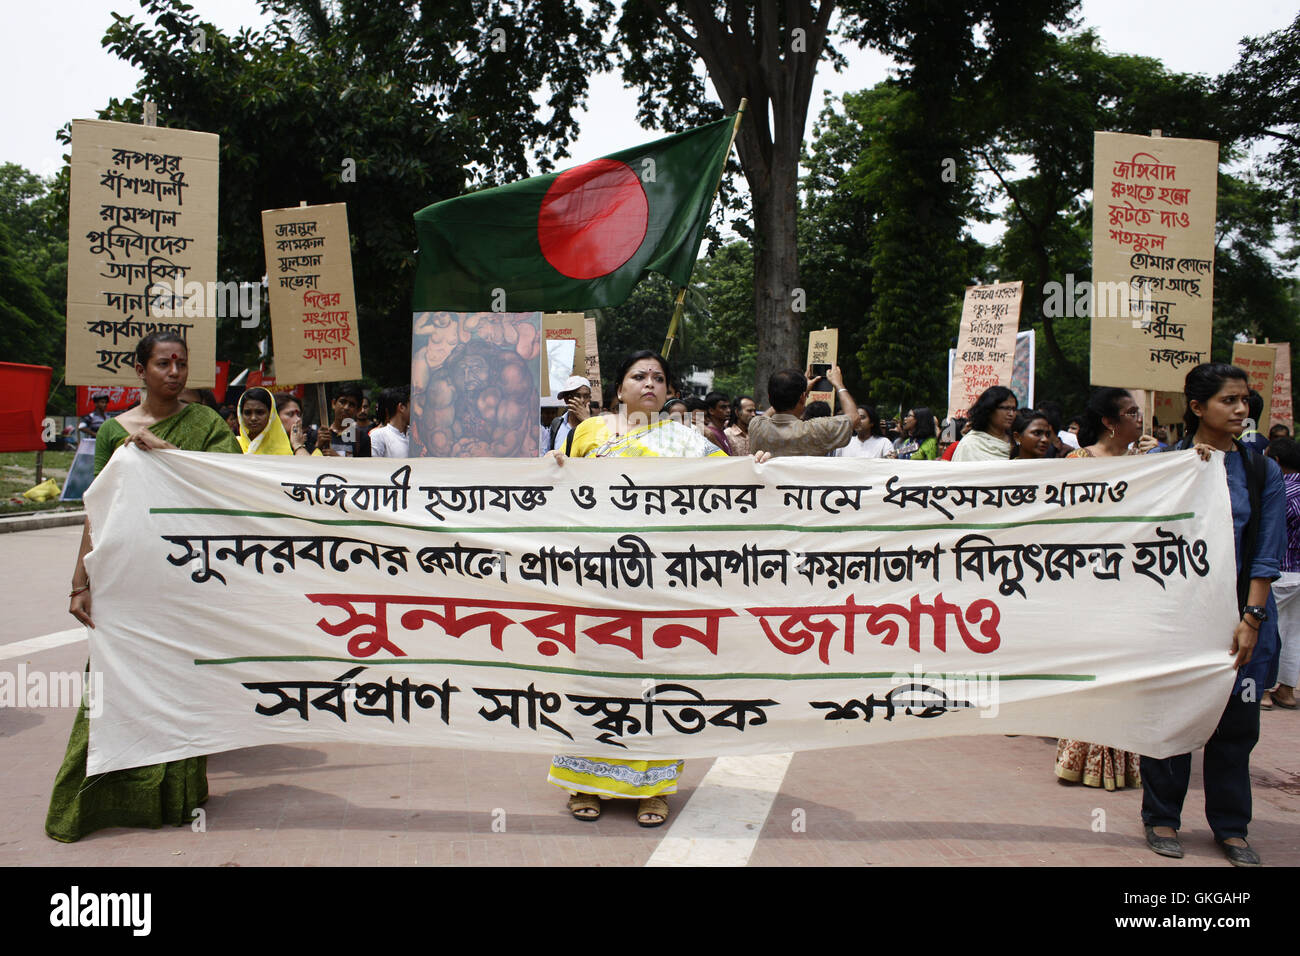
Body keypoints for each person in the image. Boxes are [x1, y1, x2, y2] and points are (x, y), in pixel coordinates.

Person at [49, 331, 241, 843]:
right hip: (126, 579)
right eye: (163, 363)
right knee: (112, 687)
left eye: (181, 363)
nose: (174, 372)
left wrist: (165, 452)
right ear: (140, 369)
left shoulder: (205, 424)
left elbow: (225, 487)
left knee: (178, 683)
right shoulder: (114, 432)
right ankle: (95, 798)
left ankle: (175, 794)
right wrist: (79, 582)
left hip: (184, 578)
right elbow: (100, 510)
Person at [544, 350, 738, 828]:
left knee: (657, 681)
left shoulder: (687, 440)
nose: (649, 383)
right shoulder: (590, 433)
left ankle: (653, 788)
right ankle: (586, 782)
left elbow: (733, 483)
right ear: (619, 389)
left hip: (661, 582)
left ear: (669, 391)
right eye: (638, 376)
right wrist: (553, 464)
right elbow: (562, 494)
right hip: (597, 579)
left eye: (658, 378)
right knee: (595, 677)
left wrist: (754, 463)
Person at [1141, 364, 1283, 867]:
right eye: (1229, 401)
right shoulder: (1163, 462)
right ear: (1197, 408)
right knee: (1170, 722)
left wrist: (1252, 619)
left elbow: (1268, 553)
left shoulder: (1260, 469)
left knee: (1236, 729)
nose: (1242, 410)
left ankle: (1231, 827)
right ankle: (1161, 819)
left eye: (1245, 400)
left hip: (1239, 623)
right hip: (1175, 622)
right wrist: (1177, 470)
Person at [1054, 388, 1158, 791]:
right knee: (1089, 668)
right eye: (1131, 412)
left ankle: (1125, 757)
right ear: (1110, 422)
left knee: (1126, 671)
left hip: (1134, 582)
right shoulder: (1076, 463)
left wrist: (1177, 461)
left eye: (1139, 412)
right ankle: (1082, 756)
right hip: (1085, 582)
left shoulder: (1152, 464)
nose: (1138, 419)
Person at [749, 366, 858, 458]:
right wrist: (839, 384)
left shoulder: (756, 426)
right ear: (802, 398)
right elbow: (854, 418)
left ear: (769, 397)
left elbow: (766, 414)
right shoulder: (814, 430)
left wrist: (800, 394)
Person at [1264, 437, 1300, 711]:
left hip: (1280, 570)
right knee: (1295, 633)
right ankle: (1286, 690)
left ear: (1275, 462)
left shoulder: (1280, 491)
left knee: (1267, 628)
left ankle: (1263, 690)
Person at [951, 387, 1017, 461]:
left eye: (1014, 409)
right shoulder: (970, 445)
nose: (1011, 414)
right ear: (989, 410)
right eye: (1006, 408)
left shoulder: (1017, 441)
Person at [315, 382, 372, 457]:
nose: (346, 407)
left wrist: (338, 459)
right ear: (333, 404)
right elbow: (306, 464)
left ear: (358, 410)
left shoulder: (362, 439)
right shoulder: (319, 434)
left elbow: (364, 467)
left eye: (351, 405)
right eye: (342, 402)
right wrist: (317, 446)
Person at [236, 387, 294, 455]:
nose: (253, 418)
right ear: (240, 415)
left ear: (271, 415)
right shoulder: (233, 446)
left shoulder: (282, 451)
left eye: (260, 412)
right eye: (247, 413)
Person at [543, 376, 592, 456]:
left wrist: (587, 422)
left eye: (586, 396)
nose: (582, 400)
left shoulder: (597, 425)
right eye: (577, 396)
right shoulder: (557, 425)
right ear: (566, 399)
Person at [370, 385, 411, 458]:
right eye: (412, 405)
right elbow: (373, 467)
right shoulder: (378, 436)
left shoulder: (416, 436)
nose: (418, 411)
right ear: (401, 407)